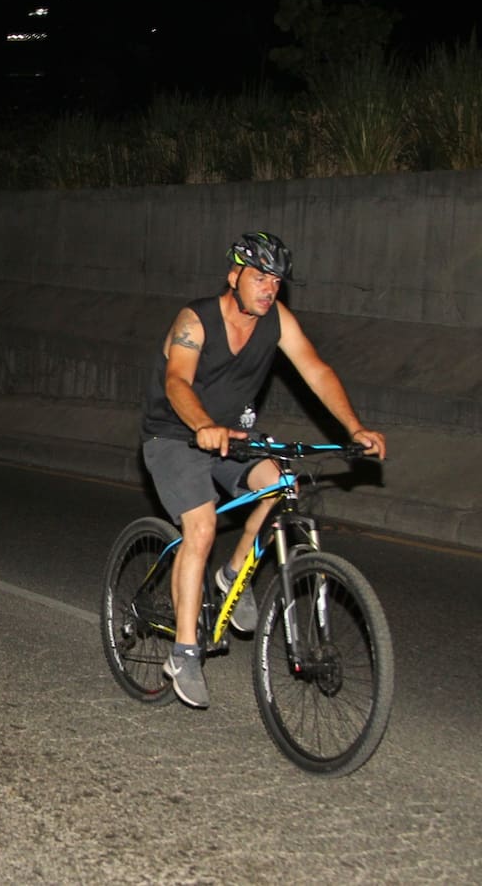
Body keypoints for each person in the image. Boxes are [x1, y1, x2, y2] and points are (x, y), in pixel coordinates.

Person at [141, 231, 386, 710]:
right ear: (234, 276)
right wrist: (203, 424)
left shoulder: (277, 321)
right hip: (174, 435)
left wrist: (354, 427)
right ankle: (185, 652)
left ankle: (234, 574)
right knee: (202, 525)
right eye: (259, 277)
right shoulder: (196, 320)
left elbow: (315, 370)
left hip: (232, 436)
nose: (268, 288)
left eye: (276, 280)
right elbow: (176, 381)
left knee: (281, 480)